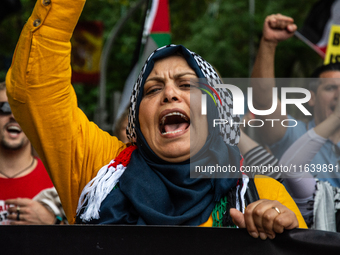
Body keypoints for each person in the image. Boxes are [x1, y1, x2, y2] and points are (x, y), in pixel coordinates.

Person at [6, 0, 306, 240]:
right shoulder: (99, 171)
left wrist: (282, 234)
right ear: (137, 120)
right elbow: (34, 90)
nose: (169, 94)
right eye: (152, 90)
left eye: (186, 84)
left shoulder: (260, 194)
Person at [251, 14, 340, 187]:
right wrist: (269, 43)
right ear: (311, 98)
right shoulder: (293, 134)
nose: (339, 95)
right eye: (330, 88)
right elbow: (263, 103)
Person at [0, 81, 67, 225]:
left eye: (22, 110)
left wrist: (53, 222)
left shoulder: (58, 182)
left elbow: (82, 244)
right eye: (5, 108)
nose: (13, 116)